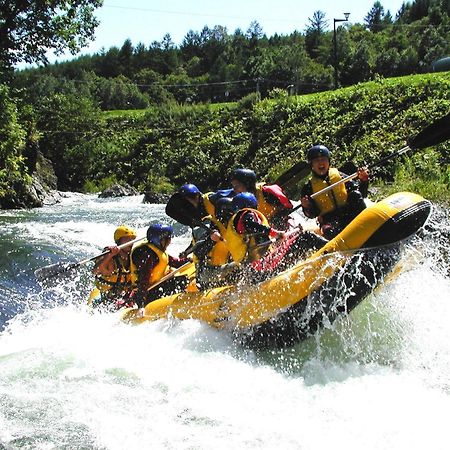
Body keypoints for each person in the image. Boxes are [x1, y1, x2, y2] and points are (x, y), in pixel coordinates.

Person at [300, 145, 369, 240]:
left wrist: (364, 181)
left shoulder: (340, 176)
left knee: (355, 194)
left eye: (323, 159)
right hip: (331, 221)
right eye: (317, 160)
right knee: (327, 230)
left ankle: (368, 224)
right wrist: (307, 207)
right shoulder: (308, 188)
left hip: (348, 213)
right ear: (311, 165)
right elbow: (312, 214)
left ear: (328, 162)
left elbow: (361, 194)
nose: (321, 163)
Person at [210, 168, 294, 230]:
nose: (234, 190)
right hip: (264, 229)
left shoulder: (267, 192)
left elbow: (288, 207)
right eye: (233, 186)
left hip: (281, 223)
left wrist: (275, 221)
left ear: (247, 184)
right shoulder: (241, 201)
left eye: (237, 186)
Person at [129, 224, 190, 308]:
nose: (170, 241)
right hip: (147, 292)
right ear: (158, 240)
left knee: (182, 279)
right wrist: (141, 304)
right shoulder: (148, 255)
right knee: (180, 282)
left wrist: (191, 260)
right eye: (167, 239)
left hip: (156, 287)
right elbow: (143, 280)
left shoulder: (157, 251)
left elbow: (175, 262)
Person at [224, 192, 285, 265]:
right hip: (253, 255)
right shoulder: (247, 214)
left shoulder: (234, 220)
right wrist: (273, 232)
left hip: (243, 258)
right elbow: (252, 225)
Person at [92, 225, 137, 310]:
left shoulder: (134, 256)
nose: (130, 242)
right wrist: (109, 255)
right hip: (109, 302)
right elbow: (96, 271)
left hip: (127, 297)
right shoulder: (111, 260)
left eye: (132, 239)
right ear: (119, 241)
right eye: (127, 239)